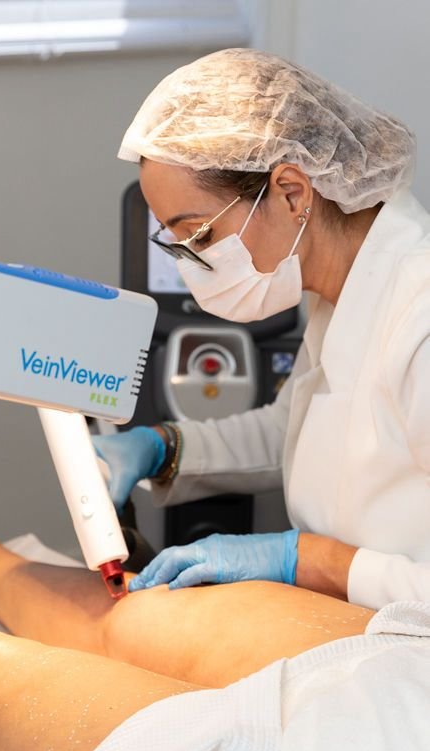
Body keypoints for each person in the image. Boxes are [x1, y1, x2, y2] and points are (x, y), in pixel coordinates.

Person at [0, 422, 428, 751]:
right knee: (137, 612)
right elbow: (304, 421)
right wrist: (166, 446)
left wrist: (320, 561)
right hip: (408, 677)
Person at [92, 48, 430, 611]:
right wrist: (165, 448)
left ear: (292, 192)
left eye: (199, 235)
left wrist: (311, 561)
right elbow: (296, 430)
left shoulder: (420, 321)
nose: (192, 264)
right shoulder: (341, 289)